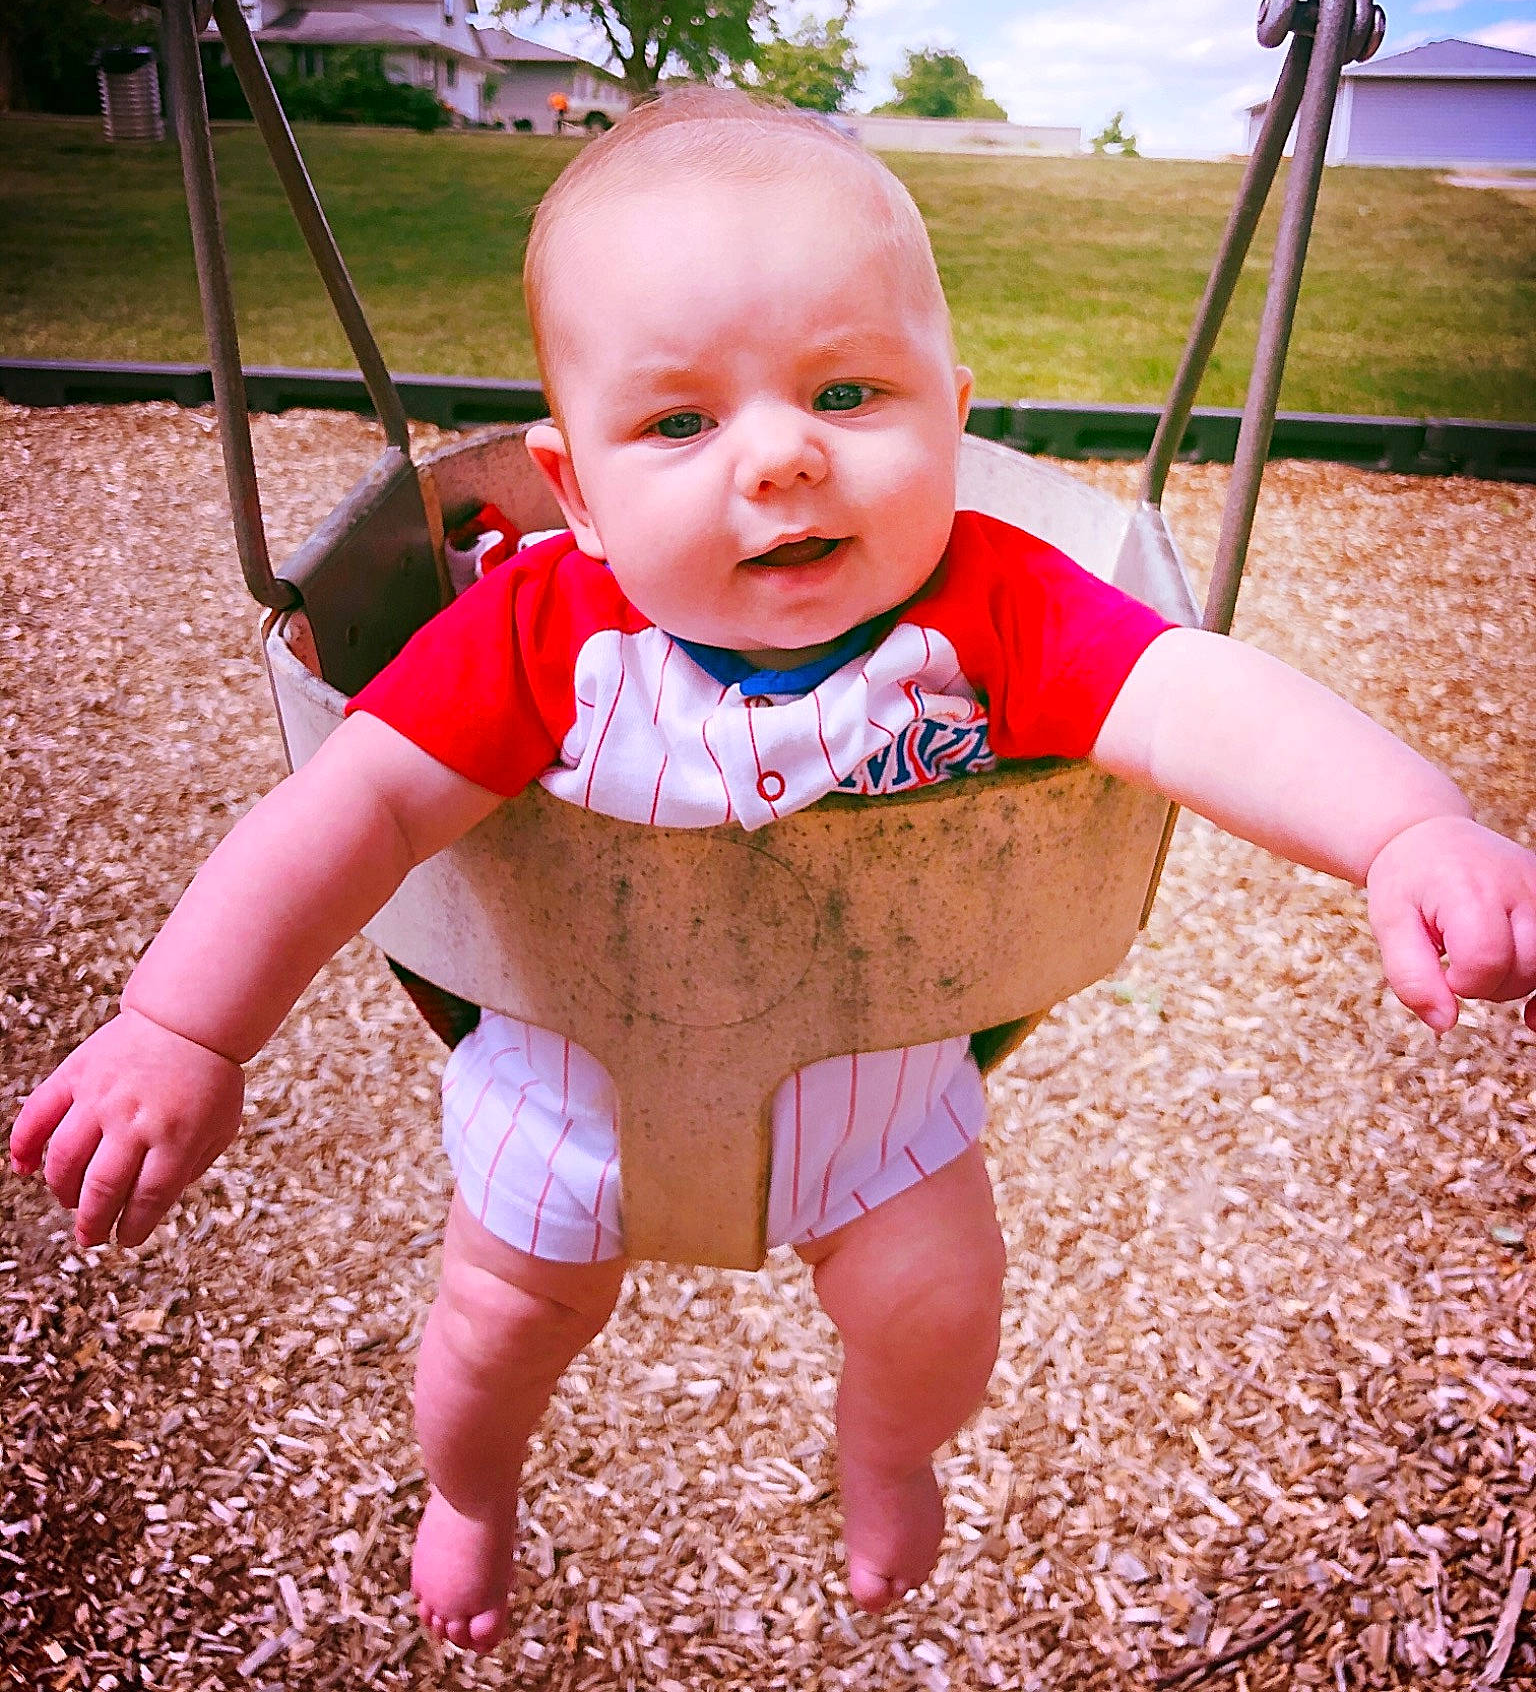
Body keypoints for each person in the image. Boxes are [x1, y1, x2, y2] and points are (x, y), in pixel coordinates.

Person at [12, 92, 1536, 1657]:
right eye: (681, 423)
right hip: (566, 1098)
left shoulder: (995, 607)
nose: (783, 458)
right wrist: (184, 1026)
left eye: (849, 390)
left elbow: (1198, 696)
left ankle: (888, 1451)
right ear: (578, 490)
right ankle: (470, 1495)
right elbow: (354, 811)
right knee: (489, 1338)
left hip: (880, 1108)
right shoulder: (538, 630)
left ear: (955, 413)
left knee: (940, 1313)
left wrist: (1405, 826)